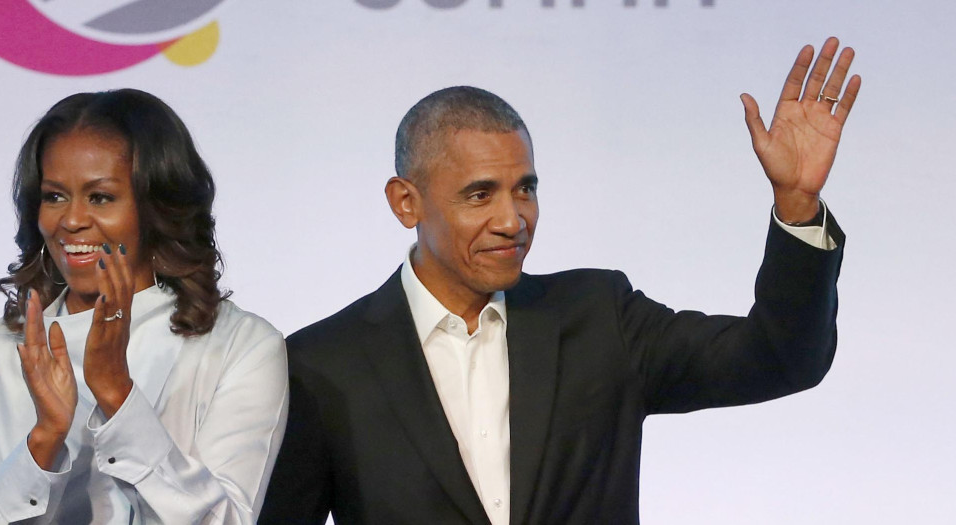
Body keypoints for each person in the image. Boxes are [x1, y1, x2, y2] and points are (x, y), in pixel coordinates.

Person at [259, 38, 859, 524]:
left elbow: (782, 358)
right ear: (405, 203)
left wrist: (798, 207)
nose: (511, 219)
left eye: (526, 188)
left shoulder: (601, 317)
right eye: (479, 195)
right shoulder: (320, 364)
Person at [0, 89, 288, 524]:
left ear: (157, 207)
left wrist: (118, 396)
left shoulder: (241, 346)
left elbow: (227, 520)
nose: (72, 220)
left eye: (100, 197)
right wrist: (43, 443)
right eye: (54, 196)